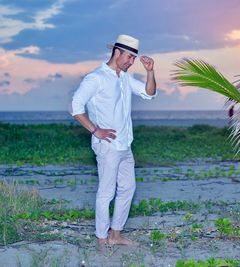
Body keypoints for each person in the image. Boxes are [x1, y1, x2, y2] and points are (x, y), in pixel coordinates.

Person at [71, 34, 156, 246]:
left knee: (128, 188)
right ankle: (101, 239)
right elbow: (75, 106)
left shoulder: (124, 77)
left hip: (125, 144)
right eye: (129, 57)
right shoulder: (96, 78)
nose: (131, 62)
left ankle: (115, 235)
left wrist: (150, 71)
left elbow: (149, 93)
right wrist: (95, 130)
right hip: (108, 146)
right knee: (106, 192)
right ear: (117, 52)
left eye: (134, 58)